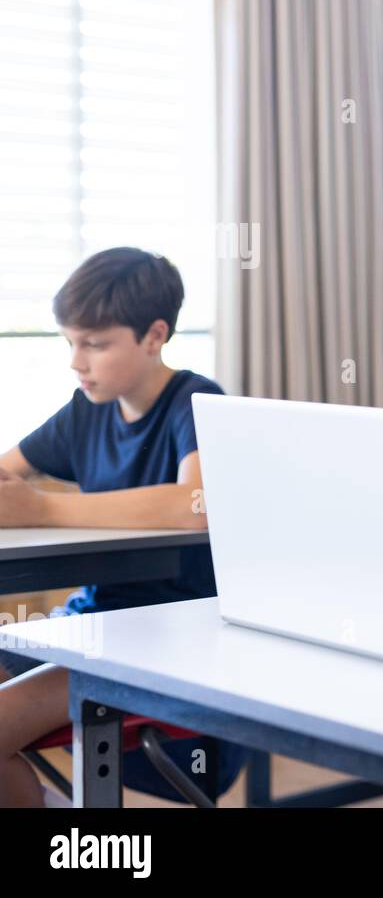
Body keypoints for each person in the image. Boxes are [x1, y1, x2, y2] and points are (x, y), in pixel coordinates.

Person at [0, 247, 244, 807]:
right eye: (69, 342)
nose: (76, 361)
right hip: (89, 627)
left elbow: (196, 504)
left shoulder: (196, 401)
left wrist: (41, 510)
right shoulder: (85, 411)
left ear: (154, 335)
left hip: (174, 643)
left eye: (95, 343)